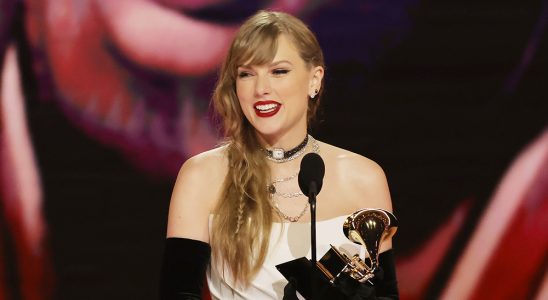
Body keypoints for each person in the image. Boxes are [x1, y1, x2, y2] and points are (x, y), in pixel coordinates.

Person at [160, 10, 398, 300]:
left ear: (315, 79)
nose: (261, 89)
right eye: (247, 74)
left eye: (279, 71)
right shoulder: (202, 176)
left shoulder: (364, 178)